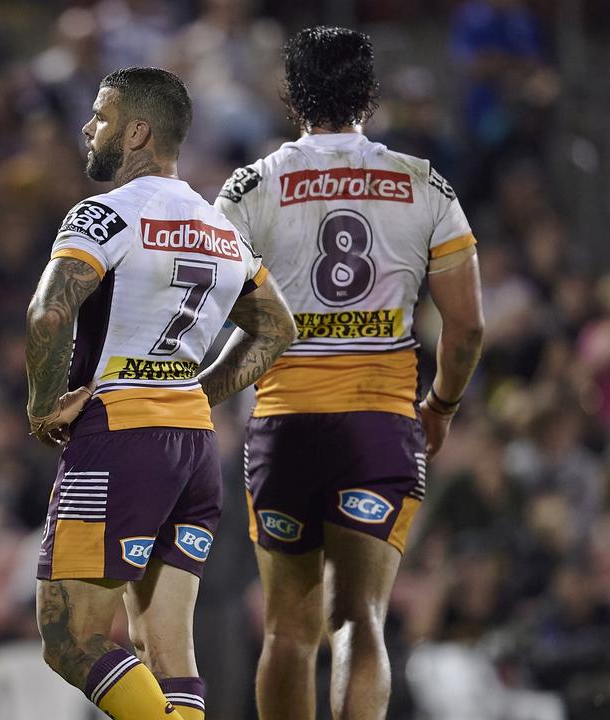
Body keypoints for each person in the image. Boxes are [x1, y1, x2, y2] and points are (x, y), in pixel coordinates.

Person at [214, 27, 485, 720]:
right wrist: (442, 407)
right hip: (379, 423)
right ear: (369, 93)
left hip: (283, 424)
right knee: (359, 619)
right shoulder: (423, 184)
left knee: (286, 631)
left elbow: (209, 299)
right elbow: (468, 327)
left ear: (291, 95)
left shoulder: (250, 188)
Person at [26, 66, 297, 720]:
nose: (89, 127)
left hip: (119, 436)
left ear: (138, 129)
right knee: (163, 648)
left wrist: (41, 405)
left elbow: (48, 314)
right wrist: (198, 389)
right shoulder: (217, 228)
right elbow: (277, 329)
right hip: (194, 449)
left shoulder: (104, 213)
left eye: (101, 115)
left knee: (71, 638)